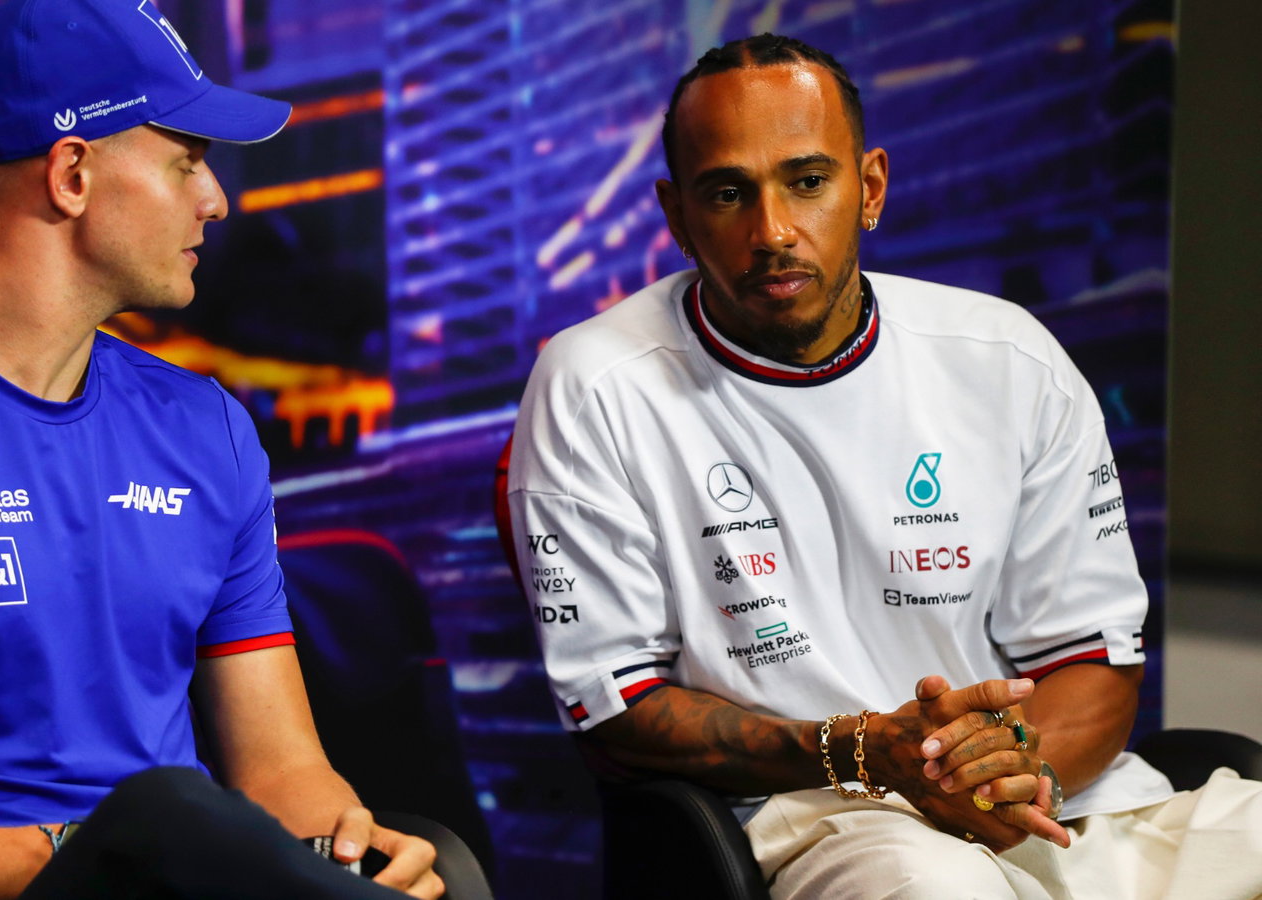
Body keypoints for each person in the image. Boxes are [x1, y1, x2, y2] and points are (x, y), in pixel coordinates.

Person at [0, 2, 449, 898]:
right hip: (38, 887)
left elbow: (281, 772)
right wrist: (107, 856)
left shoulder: (207, 429)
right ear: (72, 175)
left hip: (194, 876)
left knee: (435, 861)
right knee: (168, 818)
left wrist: (350, 850)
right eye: (187, 162)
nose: (215, 200)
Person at [507, 33, 1262, 898]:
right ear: (676, 217)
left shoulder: (1006, 355)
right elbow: (619, 712)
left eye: (806, 180)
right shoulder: (595, 385)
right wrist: (868, 750)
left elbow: (1091, 656)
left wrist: (1009, 775)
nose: (773, 231)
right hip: (823, 821)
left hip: (1061, 805)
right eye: (727, 193)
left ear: (869, 188)